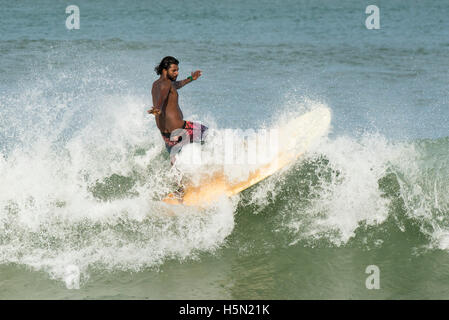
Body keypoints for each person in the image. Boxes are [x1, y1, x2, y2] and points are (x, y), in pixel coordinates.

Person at [148, 56, 208, 164]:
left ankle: (177, 180)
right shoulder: (166, 84)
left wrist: (191, 78)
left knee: (176, 162)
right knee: (208, 134)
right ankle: (212, 166)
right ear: (164, 70)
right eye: (174, 70)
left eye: (177, 70)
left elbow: (177, 85)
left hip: (167, 135)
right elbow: (162, 97)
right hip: (180, 129)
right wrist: (158, 108)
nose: (177, 73)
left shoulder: (156, 84)